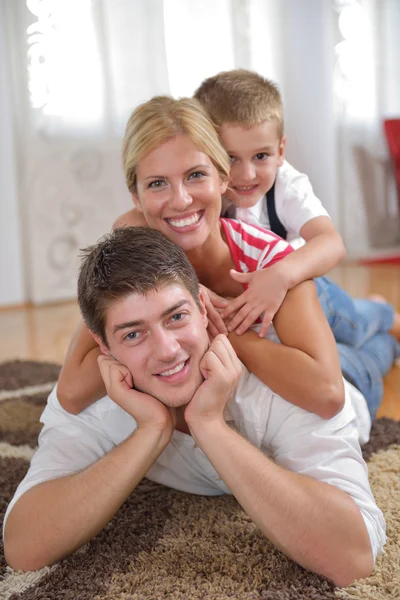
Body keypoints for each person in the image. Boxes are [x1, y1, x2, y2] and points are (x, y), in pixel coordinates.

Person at [3, 227, 385, 586]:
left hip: (353, 383)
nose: (167, 350)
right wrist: (150, 432)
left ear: (204, 308)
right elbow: (24, 546)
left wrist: (210, 425)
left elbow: (354, 555)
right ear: (102, 346)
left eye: (177, 317)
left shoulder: (280, 390)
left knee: (376, 350)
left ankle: (384, 317)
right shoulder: (100, 397)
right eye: (133, 334)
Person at [57, 95, 399, 422]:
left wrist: (217, 329)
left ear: (223, 178)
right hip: (284, 364)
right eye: (158, 183)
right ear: (137, 196)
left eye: (195, 175)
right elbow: (71, 394)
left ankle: (385, 322)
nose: (180, 200)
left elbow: (328, 396)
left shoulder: (269, 259)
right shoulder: (134, 258)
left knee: (363, 346)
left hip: (339, 370)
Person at [193, 69, 400, 417]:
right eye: (230, 157)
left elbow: (331, 243)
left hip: (310, 293)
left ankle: (385, 315)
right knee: (326, 358)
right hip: (263, 314)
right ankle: (385, 341)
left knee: (353, 324)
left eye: (261, 156)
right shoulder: (200, 191)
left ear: (281, 149)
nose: (246, 175)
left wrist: (281, 274)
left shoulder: (286, 186)